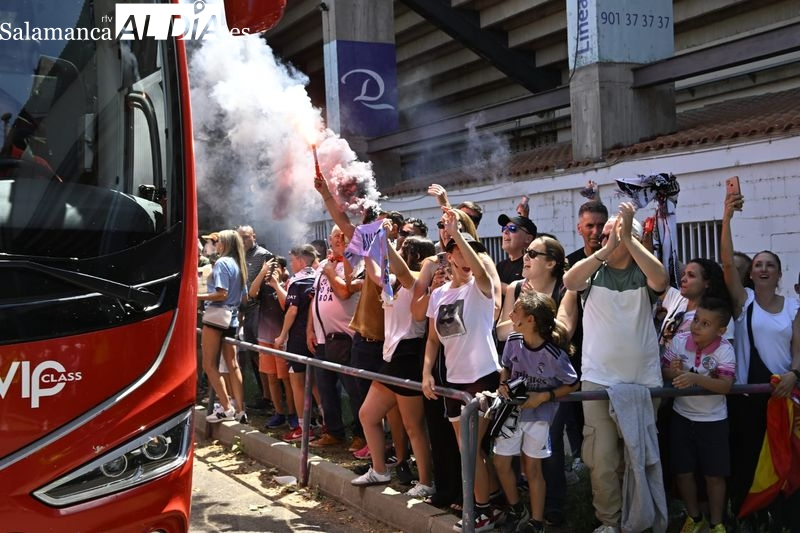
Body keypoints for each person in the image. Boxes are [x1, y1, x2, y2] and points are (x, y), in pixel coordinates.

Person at [562, 202, 669, 533]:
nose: (602, 237)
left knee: (637, 459)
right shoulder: (592, 271)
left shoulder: (643, 272)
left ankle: (637, 520)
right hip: (598, 381)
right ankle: (609, 522)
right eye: (604, 234)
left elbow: (661, 279)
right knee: (602, 459)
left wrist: (629, 237)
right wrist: (608, 248)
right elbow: (569, 280)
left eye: (612, 234)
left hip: (643, 381)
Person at [720, 191, 800, 530]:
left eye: (770, 265)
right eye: (758, 264)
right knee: (748, 459)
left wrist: (794, 374)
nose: (764, 268)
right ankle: (748, 517)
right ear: (750, 274)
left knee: (786, 460)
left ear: (779, 274)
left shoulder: (794, 307)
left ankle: (784, 519)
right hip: (749, 398)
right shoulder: (745, 301)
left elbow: (798, 348)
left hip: (785, 397)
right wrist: (726, 217)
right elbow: (727, 264)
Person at [422, 210, 503, 532]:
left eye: (472, 251)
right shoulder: (439, 294)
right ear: (450, 256)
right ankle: (492, 502)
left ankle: (481, 511)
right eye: (460, 250)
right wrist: (427, 373)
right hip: (453, 381)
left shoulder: (480, 287)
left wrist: (458, 235)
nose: (468, 257)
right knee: (469, 449)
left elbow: (481, 271)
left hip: (483, 376)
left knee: (469, 449)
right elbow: (432, 341)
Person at [351, 229, 436, 498]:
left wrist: (383, 239)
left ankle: (426, 482)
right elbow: (376, 272)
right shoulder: (395, 282)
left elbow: (401, 270)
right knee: (368, 415)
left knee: (413, 426)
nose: (399, 249)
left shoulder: (418, 281)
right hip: (391, 356)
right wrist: (368, 241)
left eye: (404, 247)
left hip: (409, 355)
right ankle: (379, 469)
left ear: (415, 254)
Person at [493, 292, 578, 533]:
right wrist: (503, 383)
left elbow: (573, 384)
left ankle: (537, 522)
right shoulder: (513, 340)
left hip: (539, 418)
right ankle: (517, 509)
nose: (510, 316)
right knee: (501, 462)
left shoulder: (554, 355)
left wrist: (543, 397)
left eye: (515, 312)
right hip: (511, 413)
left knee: (533, 469)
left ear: (530, 319)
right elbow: (506, 367)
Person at [661, 297, 735, 533]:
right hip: (681, 417)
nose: (696, 327)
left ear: (721, 330)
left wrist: (694, 378)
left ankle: (716, 523)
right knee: (683, 472)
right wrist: (672, 372)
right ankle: (694, 517)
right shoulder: (679, 340)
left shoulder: (726, 349)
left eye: (706, 324)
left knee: (715, 476)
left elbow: (725, 386)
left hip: (713, 421)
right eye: (696, 320)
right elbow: (664, 370)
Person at [307, 225, 361, 447]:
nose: (338, 240)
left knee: (354, 389)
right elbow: (315, 297)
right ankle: (334, 432)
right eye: (335, 236)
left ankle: (361, 435)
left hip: (346, 337)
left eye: (343, 236)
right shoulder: (324, 264)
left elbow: (345, 292)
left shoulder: (355, 263)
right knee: (326, 388)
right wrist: (310, 329)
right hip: (322, 338)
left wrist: (330, 272)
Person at [200, 229, 249, 424]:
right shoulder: (239, 265)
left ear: (225, 244)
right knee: (232, 364)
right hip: (232, 319)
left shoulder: (222, 263)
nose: (216, 244)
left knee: (209, 365)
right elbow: (244, 297)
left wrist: (196, 295)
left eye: (218, 241)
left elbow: (221, 294)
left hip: (216, 317)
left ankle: (226, 407)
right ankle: (240, 410)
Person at [274, 244, 318, 442]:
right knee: (316, 383)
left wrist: (282, 336)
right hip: (317, 336)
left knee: (298, 383)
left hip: (298, 338)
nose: (291, 264)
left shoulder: (296, 280)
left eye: (292, 260)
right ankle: (326, 424)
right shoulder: (319, 276)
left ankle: (302, 428)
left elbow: (292, 310)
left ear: (301, 260)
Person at [249, 256, 297, 431]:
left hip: (282, 340)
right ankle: (279, 413)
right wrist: (262, 273)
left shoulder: (289, 285)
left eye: (275, 269)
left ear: (283, 270)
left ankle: (292, 413)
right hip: (265, 337)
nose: (271, 272)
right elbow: (251, 293)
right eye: (269, 269)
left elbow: (287, 305)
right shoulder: (264, 284)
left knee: (286, 379)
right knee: (272, 378)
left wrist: (277, 284)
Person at [236, 225, 272, 412]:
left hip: (260, 309)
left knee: (262, 355)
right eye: (240, 237)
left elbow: (270, 282)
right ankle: (264, 395)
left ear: (254, 236)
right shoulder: (239, 256)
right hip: (246, 310)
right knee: (253, 356)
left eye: (246, 237)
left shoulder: (264, 255)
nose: (242, 241)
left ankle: (271, 398)